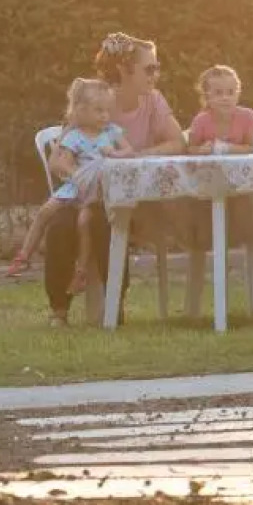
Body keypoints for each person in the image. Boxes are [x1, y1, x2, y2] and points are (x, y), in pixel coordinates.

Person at [41, 32, 186, 326]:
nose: (155, 74)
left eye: (156, 67)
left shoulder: (153, 101)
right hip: (89, 196)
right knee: (62, 224)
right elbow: (57, 159)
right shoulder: (95, 99)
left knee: (107, 219)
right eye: (150, 68)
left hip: (136, 202)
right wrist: (81, 177)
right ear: (124, 70)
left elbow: (177, 143)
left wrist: (137, 156)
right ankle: (59, 310)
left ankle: (113, 308)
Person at [8, 78, 133, 287]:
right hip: (78, 183)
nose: (105, 116)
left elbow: (129, 151)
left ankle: (81, 271)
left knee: (84, 222)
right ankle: (24, 255)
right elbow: (61, 163)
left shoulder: (111, 132)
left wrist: (115, 153)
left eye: (106, 111)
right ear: (81, 111)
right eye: (98, 111)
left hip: (98, 189)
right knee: (45, 211)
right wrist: (75, 174)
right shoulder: (75, 136)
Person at [185, 65, 253, 155]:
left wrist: (226, 148)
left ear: (237, 94)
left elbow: (251, 149)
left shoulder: (247, 116)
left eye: (230, 92)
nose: (225, 98)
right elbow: (190, 149)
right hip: (209, 168)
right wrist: (201, 150)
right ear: (207, 97)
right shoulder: (200, 121)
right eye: (218, 93)